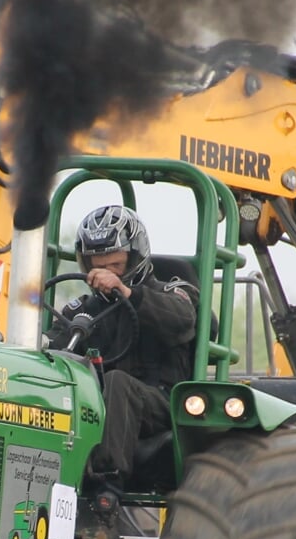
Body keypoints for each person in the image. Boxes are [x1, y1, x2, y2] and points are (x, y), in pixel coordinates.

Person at [63, 205, 198, 485]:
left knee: (117, 382)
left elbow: (182, 319)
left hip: (162, 402)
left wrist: (126, 292)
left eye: (115, 265)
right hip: (98, 402)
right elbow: (54, 343)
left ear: (135, 257)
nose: (105, 274)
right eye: (96, 265)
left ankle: (106, 487)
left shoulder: (174, 293)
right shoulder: (84, 310)